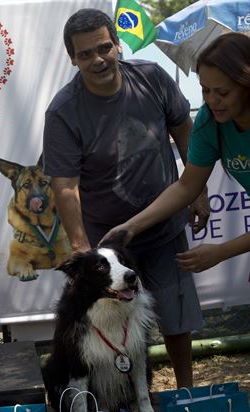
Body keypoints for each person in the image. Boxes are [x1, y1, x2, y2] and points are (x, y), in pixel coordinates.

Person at [42, 8, 210, 388]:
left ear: (118, 45)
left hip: (166, 228)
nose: (97, 59)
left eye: (104, 48)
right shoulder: (63, 112)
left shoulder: (152, 78)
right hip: (110, 245)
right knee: (115, 326)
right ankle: (121, 401)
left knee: (176, 318)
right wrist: (84, 248)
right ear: (72, 58)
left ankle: (186, 391)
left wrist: (195, 189)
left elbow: (185, 132)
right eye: (85, 54)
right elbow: (65, 187)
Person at [102, 33, 250, 273]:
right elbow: (186, 187)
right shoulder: (209, 121)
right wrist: (130, 227)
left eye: (223, 93)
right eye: (205, 90)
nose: (212, 101)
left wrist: (221, 251)